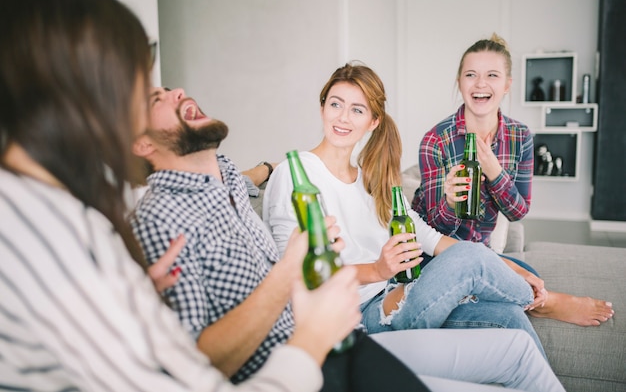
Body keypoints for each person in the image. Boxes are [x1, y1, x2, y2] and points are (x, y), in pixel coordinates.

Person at [0, 0, 363, 391]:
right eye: (137, 69)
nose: (149, 89)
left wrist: (127, 301)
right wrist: (311, 339)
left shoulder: (59, 215)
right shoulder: (45, 235)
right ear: (80, 82)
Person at [131, 86, 565, 392]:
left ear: (373, 122)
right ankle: (547, 298)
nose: (343, 116)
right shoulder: (292, 174)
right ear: (321, 108)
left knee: (513, 331)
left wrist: (260, 169)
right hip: (360, 318)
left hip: (376, 307)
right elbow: (298, 271)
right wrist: (373, 269)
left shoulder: (227, 180)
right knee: (473, 258)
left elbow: (425, 234)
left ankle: (528, 290)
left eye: (357, 109)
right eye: (336, 104)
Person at [411, 33, 614, 327]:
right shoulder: (435, 141)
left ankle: (519, 291)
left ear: (507, 84)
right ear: (459, 82)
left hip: (483, 252)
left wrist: (494, 171)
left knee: (528, 273)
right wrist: (450, 201)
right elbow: (432, 231)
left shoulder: (520, 137)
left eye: (492, 75)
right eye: (471, 75)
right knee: (518, 282)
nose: (481, 83)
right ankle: (547, 302)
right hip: (434, 255)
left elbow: (517, 212)